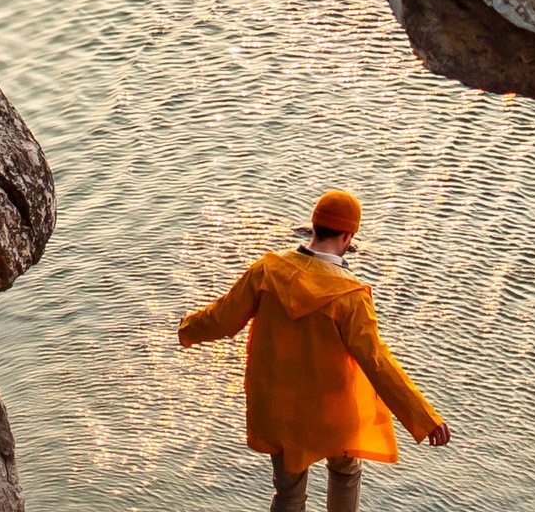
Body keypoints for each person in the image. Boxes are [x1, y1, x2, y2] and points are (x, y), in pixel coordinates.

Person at [178, 189, 454, 511]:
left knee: (289, 493)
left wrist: (187, 328)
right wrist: (424, 418)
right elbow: (377, 362)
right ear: (348, 235)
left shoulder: (268, 271)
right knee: (345, 472)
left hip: (282, 410)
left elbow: (223, 319)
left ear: (314, 225)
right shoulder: (350, 295)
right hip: (334, 412)